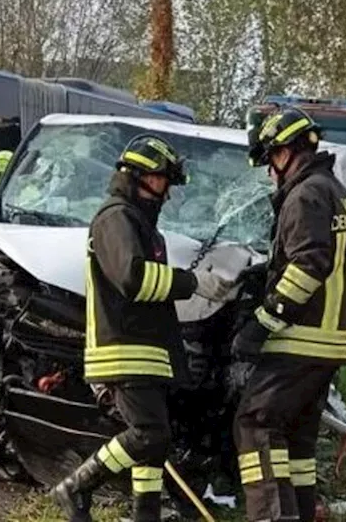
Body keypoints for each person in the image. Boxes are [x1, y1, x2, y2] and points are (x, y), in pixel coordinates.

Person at [50, 135, 234, 522]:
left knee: (154, 447)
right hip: (123, 348)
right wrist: (193, 282)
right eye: (162, 180)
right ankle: (76, 486)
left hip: (148, 351)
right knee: (149, 435)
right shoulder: (115, 217)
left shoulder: (144, 228)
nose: (166, 192)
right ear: (138, 176)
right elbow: (132, 279)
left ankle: (144, 514)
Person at [230, 108, 346, 522]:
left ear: (285, 153)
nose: (270, 171)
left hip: (300, 339)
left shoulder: (305, 194)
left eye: (270, 160)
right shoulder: (336, 190)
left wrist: (262, 322)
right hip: (329, 342)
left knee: (256, 424)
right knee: (297, 442)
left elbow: (309, 265)